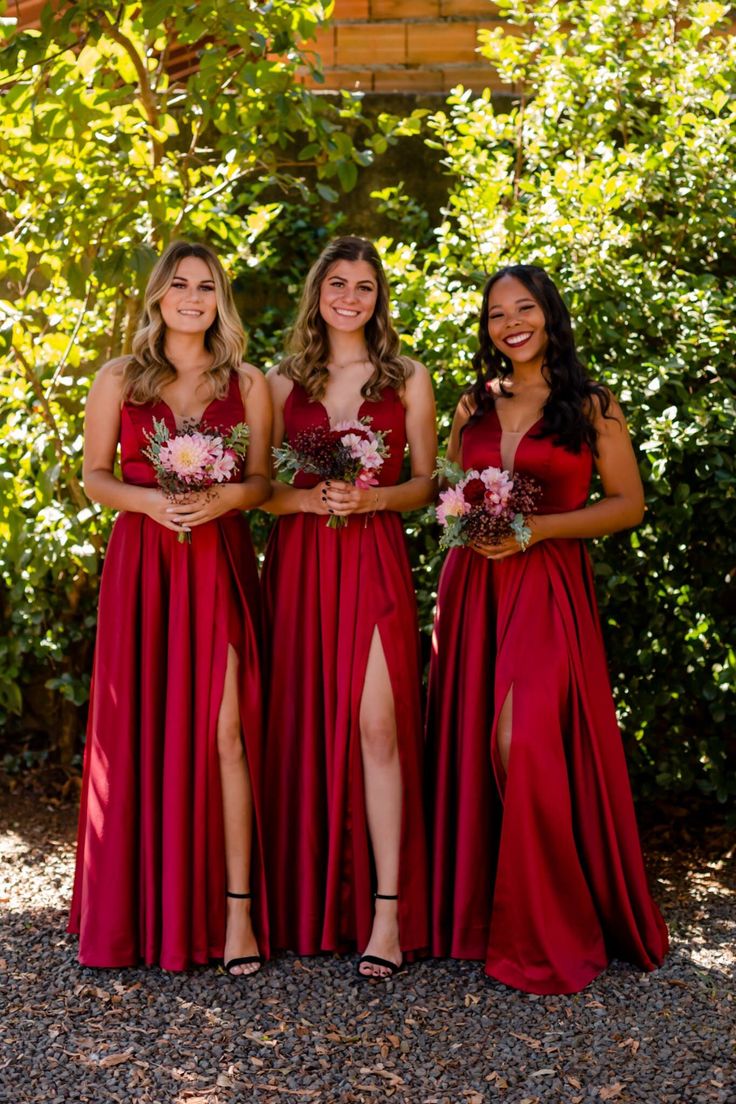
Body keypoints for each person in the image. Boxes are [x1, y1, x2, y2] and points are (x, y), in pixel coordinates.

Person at [427, 263, 668, 994]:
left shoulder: (591, 404)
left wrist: (538, 529)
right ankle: (481, 918)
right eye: (496, 314)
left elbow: (628, 505)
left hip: (547, 585)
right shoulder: (473, 403)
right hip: (474, 588)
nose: (510, 324)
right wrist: (469, 518)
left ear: (549, 316)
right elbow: (446, 487)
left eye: (523, 308)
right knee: (475, 745)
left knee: (521, 740)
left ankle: (550, 926)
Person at [68, 240, 272, 976]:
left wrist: (222, 498)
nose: (193, 297)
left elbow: (259, 484)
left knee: (226, 731)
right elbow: (94, 478)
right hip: (144, 563)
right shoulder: (119, 378)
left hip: (216, 562)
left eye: (208, 286)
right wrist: (155, 503)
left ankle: (237, 915)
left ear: (221, 300)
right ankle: (140, 910)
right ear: (158, 296)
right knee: (142, 730)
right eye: (181, 284)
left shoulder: (247, 382)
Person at [262, 236, 436, 978]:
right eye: (338, 283)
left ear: (379, 299)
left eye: (365, 287)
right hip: (301, 564)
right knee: (302, 723)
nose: (351, 297)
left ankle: (389, 914)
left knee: (378, 725)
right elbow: (256, 488)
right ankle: (305, 907)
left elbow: (427, 484)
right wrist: (304, 499)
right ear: (318, 291)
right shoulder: (279, 382)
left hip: (373, 559)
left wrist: (373, 498)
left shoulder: (409, 377)